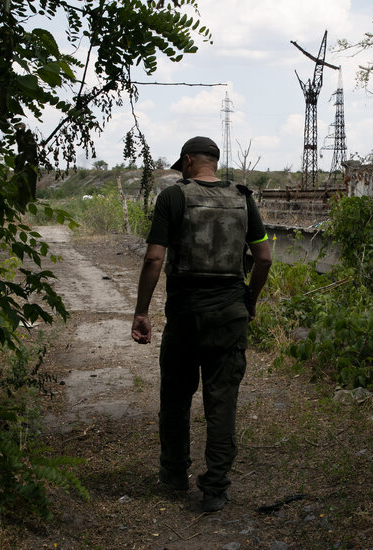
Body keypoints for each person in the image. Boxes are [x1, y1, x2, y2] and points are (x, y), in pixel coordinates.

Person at [131, 136, 273, 513]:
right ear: (215, 161)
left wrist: (141, 311)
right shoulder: (243, 198)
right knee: (222, 401)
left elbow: (154, 259)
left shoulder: (173, 198)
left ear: (189, 160)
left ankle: (175, 474)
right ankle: (215, 489)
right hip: (229, 316)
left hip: (184, 317)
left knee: (176, 397)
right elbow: (263, 257)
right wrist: (250, 300)